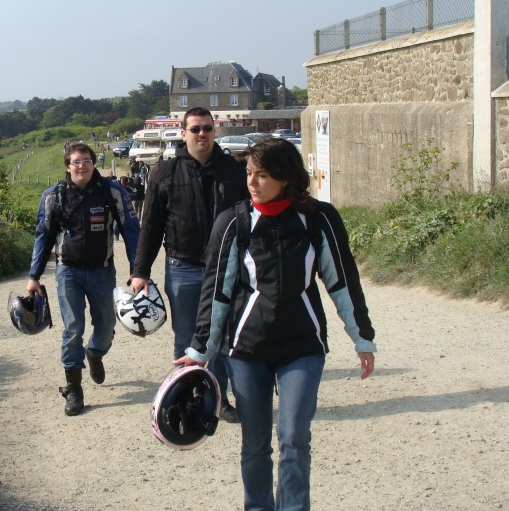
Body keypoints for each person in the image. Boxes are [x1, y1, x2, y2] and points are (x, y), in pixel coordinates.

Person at [177, 137, 377, 510]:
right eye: (249, 173)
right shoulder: (233, 222)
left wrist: (362, 337)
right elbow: (216, 294)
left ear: (286, 177)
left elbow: (342, 281)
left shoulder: (318, 219)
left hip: (303, 347)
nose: (252, 182)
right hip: (248, 350)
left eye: (263, 174)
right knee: (255, 444)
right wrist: (200, 350)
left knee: (294, 437)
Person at [130, 107, 247, 423]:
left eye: (207, 129)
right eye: (195, 129)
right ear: (183, 133)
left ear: (214, 131)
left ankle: (218, 399)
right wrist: (140, 271)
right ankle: (186, 396)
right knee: (185, 337)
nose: (202, 135)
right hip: (183, 267)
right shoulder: (164, 173)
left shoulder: (234, 171)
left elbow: (251, 219)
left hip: (227, 268)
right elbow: (151, 226)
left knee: (222, 336)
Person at [27, 143, 140, 416]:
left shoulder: (113, 192)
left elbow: (132, 231)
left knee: (107, 326)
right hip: (68, 272)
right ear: (68, 166)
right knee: (73, 327)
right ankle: (74, 389)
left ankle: (95, 353)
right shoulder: (53, 196)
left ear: (94, 163)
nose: (82, 166)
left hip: (102, 271)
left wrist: (139, 271)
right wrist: (34, 277)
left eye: (86, 161)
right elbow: (43, 237)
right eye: (76, 162)